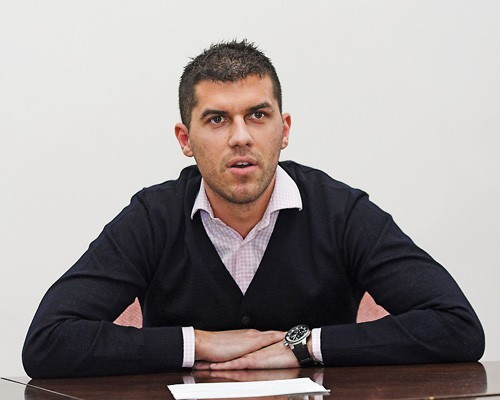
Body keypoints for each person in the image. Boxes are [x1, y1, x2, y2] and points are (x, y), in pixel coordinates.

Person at [22, 40, 484, 378]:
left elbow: (457, 326)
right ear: (185, 139)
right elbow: (48, 341)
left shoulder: (340, 211)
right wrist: (200, 343)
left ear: (284, 130)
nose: (240, 137)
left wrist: (303, 346)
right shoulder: (153, 216)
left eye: (257, 116)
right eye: (217, 119)